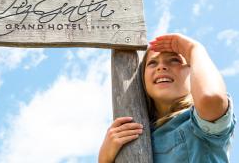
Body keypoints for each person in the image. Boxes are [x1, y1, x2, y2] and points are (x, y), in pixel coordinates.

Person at [98, 33, 236, 163]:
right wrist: (105, 160)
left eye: (174, 60)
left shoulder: (199, 125)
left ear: (192, 73)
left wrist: (194, 49)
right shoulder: (138, 134)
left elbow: (211, 97)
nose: (162, 67)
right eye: (152, 63)